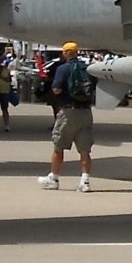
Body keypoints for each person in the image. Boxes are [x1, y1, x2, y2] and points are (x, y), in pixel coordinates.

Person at [40, 42, 94, 192]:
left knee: (59, 146)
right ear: (76, 52)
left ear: (64, 53)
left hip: (68, 112)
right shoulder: (87, 69)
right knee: (84, 149)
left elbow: (57, 89)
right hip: (86, 112)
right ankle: (85, 181)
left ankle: (54, 178)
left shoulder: (63, 69)